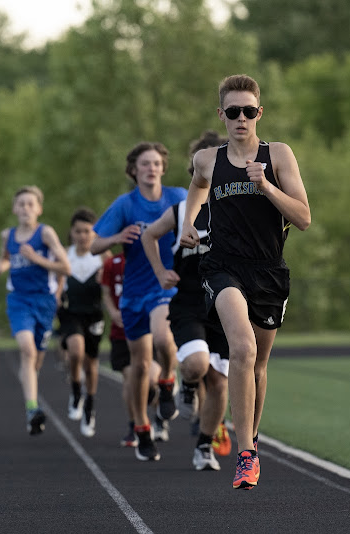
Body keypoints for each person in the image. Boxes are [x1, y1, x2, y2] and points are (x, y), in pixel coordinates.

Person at [180, 75, 311, 489]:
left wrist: (265, 184)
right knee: (242, 347)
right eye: (232, 111)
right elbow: (197, 187)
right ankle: (246, 454)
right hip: (223, 268)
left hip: (269, 271)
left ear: (259, 113)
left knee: (257, 364)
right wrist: (188, 223)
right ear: (221, 115)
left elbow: (303, 218)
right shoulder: (207, 159)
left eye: (248, 111)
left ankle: (250, 436)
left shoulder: (278, 155)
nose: (241, 118)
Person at [91, 141, 186, 461]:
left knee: (164, 337)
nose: (152, 168)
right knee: (139, 366)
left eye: (157, 163)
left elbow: (203, 221)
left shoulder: (178, 197)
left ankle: (169, 380)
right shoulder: (125, 204)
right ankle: (143, 428)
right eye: (145, 163)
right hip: (133, 293)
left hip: (167, 285)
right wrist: (116, 238)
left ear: (163, 167)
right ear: (133, 170)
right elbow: (93, 245)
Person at [143, 130, 230, 471]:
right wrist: (161, 271)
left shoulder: (237, 209)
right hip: (190, 302)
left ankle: (204, 446)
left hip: (225, 305)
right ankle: (188, 382)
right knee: (195, 364)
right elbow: (149, 236)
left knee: (221, 383)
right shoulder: (181, 212)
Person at [0, 185, 72, 436]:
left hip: (44, 302)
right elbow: (6, 257)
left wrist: (37, 259)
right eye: (21, 204)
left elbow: (65, 268)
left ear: (38, 209)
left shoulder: (45, 234)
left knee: (36, 358)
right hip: (19, 300)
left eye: (30, 204)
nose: (25, 208)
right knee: (26, 349)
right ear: (14, 208)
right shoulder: (9, 235)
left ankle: (31, 390)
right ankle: (32, 408)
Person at [100, 252, 161, 447]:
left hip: (149, 330)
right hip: (121, 332)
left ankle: (160, 403)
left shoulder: (154, 259)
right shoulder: (113, 263)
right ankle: (135, 424)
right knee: (130, 380)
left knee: (150, 379)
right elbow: (106, 291)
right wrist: (113, 312)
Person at [58, 207, 108, 438]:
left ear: (94, 233)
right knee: (75, 352)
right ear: (72, 233)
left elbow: (117, 279)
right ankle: (76, 390)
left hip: (94, 314)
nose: (83, 236)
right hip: (70, 313)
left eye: (87, 231)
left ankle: (90, 405)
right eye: (78, 231)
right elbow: (56, 281)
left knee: (91, 363)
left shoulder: (102, 257)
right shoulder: (64, 255)